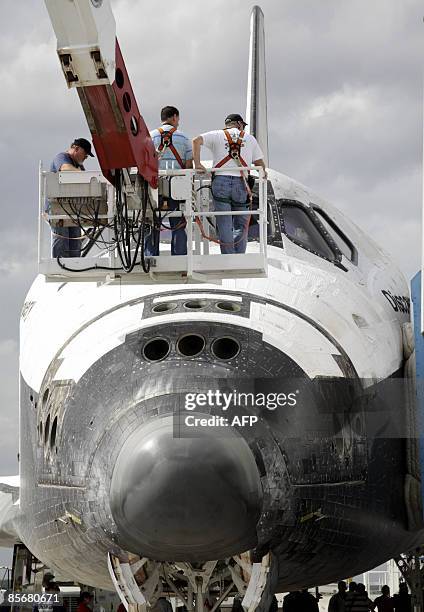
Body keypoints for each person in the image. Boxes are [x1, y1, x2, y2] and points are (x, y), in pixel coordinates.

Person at [192, 114, 266, 255]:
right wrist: (264, 174)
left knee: (224, 220)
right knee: (241, 222)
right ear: (239, 124)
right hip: (241, 183)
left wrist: (198, 163)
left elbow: (196, 140)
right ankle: (239, 255)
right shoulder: (249, 138)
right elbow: (260, 164)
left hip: (221, 181)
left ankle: (228, 254)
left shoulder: (217, 135)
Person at [146, 106, 193, 256]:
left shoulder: (149, 137)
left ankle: (150, 256)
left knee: (152, 221)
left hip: (154, 185)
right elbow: (188, 165)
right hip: (176, 186)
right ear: (174, 117)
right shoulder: (184, 138)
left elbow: (144, 163)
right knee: (178, 223)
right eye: (177, 118)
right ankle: (179, 255)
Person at [48, 138, 94, 258]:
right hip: (57, 209)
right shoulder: (62, 157)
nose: (85, 158)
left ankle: (74, 266)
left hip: (71, 210)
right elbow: (65, 169)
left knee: (75, 243)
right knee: (61, 240)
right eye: (85, 154)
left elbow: (85, 179)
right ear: (76, 148)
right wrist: (80, 172)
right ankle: (60, 266)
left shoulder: (78, 166)